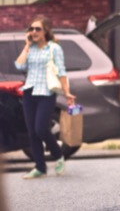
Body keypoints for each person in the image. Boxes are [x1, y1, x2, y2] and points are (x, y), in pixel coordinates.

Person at [14, 15, 76, 179]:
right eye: (31, 29)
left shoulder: (54, 48)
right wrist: (27, 46)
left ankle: (58, 156)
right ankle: (40, 167)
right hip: (29, 92)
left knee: (41, 128)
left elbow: (61, 71)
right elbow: (19, 65)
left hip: (46, 93)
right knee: (32, 133)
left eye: (37, 29)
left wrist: (67, 92)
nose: (33, 31)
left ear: (45, 31)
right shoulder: (30, 49)